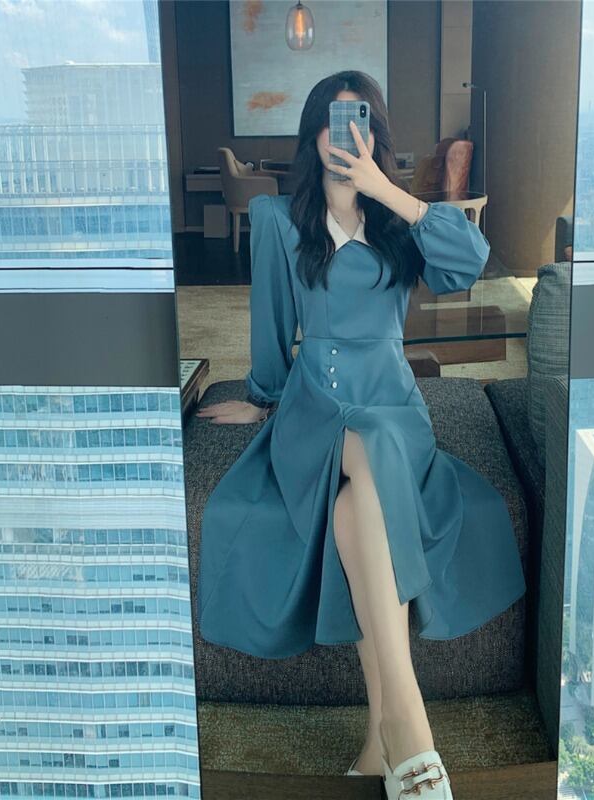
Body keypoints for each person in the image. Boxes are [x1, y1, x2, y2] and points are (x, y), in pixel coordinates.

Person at [195, 70, 526, 800]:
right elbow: (272, 325)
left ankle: (382, 739)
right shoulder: (279, 218)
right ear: (312, 132)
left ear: (376, 135)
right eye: (332, 120)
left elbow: (469, 263)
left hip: (393, 405)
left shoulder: (400, 222)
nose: (344, 135)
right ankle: (412, 729)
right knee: (365, 456)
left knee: (357, 503)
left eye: (360, 121)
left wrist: (388, 190)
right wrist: (262, 401)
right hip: (314, 407)